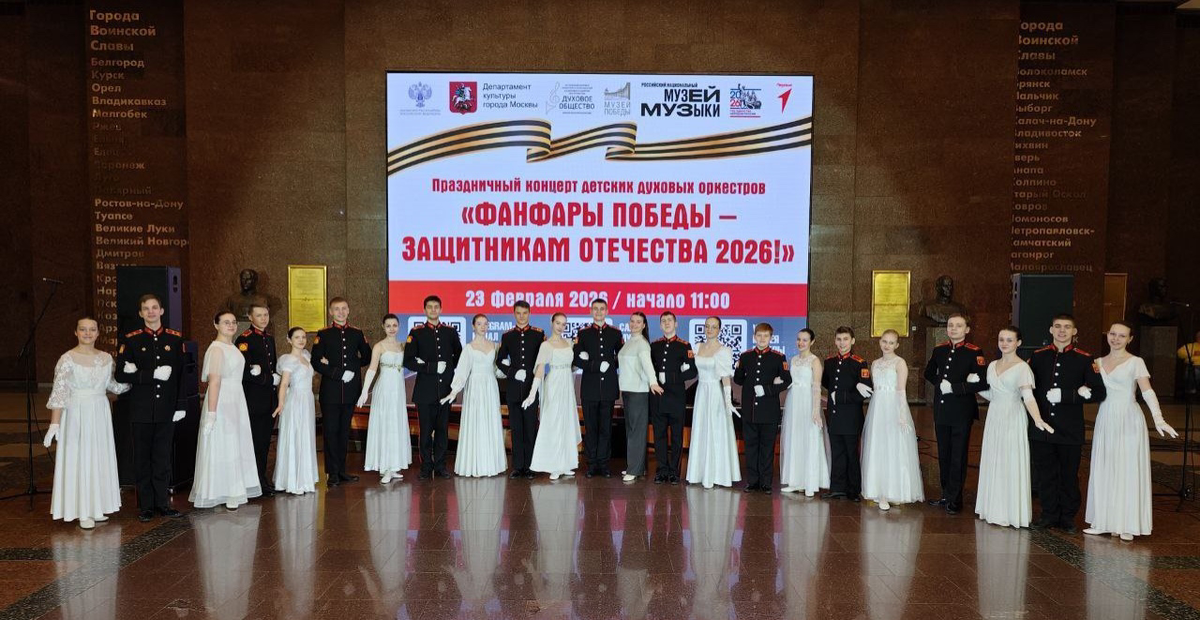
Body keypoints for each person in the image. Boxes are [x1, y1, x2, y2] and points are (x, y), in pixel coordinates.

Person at [1085, 321, 1179, 541]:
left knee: (1127, 468)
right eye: (1113, 334)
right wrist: (1083, 389)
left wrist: (1158, 418)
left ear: (1130, 339)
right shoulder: (1097, 362)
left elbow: (1147, 392)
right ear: (1107, 335)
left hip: (1128, 418)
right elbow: (1094, 388)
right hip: (1106, 417)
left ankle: (1127, 523)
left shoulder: (1136, 362)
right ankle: (1103, 521)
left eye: (1122, 335)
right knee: (1105, 466)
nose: (1116, 339)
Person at [43, 317, 130, 529]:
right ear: (76, 332)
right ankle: (82, 510)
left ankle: (96, 507)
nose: (88, 333)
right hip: (76, 413)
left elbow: (114, 386)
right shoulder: (67, 359)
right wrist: (55, 424)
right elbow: (59, 393)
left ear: (98, 333)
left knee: (98, 457)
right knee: (80, 457)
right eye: (83, 329)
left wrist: (133, 376)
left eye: (92, 329)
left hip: (99, 412)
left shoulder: (106, 358)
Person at [1028, 314, 1106, 533]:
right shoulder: (1038, 356)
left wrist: (1068, 395)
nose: (1062, 331)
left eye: (1067, 327)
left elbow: (1099, 392)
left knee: (1069, 475)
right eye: (1058, 326)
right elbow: (1026, 386)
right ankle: (1048, 514)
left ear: (1074, 331)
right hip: (1042, 426)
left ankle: (1068, 517)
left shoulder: (1084, 358)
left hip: (1069, 428)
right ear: (1051, 330)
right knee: (1045, 474)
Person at [115, 293, 188, 522]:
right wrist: (149, 375)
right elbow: (120, 375)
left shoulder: (175, 339)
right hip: (141, 409)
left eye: (154, 307)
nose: (151, 312)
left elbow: (181, 375)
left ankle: (163, 503)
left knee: (162, 458)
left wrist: (181, 404)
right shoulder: (132, 340)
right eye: (146, 309)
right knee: (142, 459)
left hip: (166, 408)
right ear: (140, 313)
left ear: (162, 311)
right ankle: (146, 506)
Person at [975, 326, 1054, 528]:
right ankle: (992, 508)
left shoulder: (1022, 368)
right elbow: (994, 395)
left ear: (1018, 343)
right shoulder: (992, 365)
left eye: (1009, 340)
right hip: (995, 416)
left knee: (1009, 460)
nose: (1004, 343)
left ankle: (1009, 512)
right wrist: (976, 388)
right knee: (994, 459)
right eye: (1001, 339)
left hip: (1013, 417)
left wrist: (1037, 419)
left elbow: (1028, 397)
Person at [190, 311, 262, 510]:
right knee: (225, 443)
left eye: (233, 322)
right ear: (216, 325)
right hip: (222, 401)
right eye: (225, 322)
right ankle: (225, 491)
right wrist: (212, 414)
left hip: (236, 398)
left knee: (236, 443)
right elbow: (214, 382)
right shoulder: (217, 349)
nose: (231, 326)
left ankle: (233, 488)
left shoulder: (232, 347)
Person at [924, 313, 989, 515]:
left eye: (958, 326)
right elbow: (928, 372)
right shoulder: (939, 350)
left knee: (958, 455)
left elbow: (982, 382)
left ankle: (955, 498)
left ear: (967, 330)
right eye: (951, 325)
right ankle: (945, 494)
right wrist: (940, 384)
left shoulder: (974, 352)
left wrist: (956, 387)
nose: (953, 329)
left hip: (961, 411)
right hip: (942, 410)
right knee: (944, 454)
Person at [860, 329, 924, 510]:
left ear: (897, 345)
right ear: (880, 342)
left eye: (891, 342)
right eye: (884, 341)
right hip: (877, 407)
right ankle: (878, 490)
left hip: (893, 407)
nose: (886, 345)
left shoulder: (900, 363)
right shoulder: (875, 363)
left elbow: (901, 390)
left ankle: (894, 490)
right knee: (878, 446)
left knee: (893, 447)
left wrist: (902, 415)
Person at [312, 297, 371, 488]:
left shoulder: (357, 333)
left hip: (351, 390)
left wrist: (352, 367)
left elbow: (367, 356)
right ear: (330, 312)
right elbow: (315, 361)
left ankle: (342, 470)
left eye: (344, 308)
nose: (341, 312)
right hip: (331, 392)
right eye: (336, 309)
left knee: (344, 432)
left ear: (348, 310)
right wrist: (337, 372)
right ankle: (332, 473)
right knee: (330, 432)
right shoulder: (323, 334)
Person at [403, 295, 463, 479]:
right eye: (429, 307)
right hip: (425, 391)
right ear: (424, 310)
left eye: (436, 307)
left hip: (445, 390)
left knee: (443, 431)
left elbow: (459, 356)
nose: (433, 310)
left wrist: (448, 370)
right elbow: (408, 361)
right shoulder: (416, 333)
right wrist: (431, 367)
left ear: (441, 309)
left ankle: (441, 466)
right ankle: (426, 467)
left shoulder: (450, 332)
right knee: (426, 432)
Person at [441, 314, 506, 477]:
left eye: (485, 324)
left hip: (490, 387)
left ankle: (490, 464)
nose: (483, 327)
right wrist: (454, 391)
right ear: (473, 326)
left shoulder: (495, 346)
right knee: (476, 422)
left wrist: (507, 369)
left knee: (490, 421)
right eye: (479, 324)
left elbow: (497, 371)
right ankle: (475, 464)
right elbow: (462, 372)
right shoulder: (468, 348)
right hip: (475, 388)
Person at [735, 322, 792, 494]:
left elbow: (787, 381)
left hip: (769, 410)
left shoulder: (778, 357)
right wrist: (738, 369)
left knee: (767, 447)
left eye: (766, 336)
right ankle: (752, 481)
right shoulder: (745, 356)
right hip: (749, 410)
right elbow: (738, 380)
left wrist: (767, 389)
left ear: (771, 338)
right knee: (751, 447)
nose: (762, 339)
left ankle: (766, 482)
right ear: (754, 337)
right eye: (759, 335)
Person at [685, 316, 741, 489]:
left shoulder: (724, 350)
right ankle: (699, 473)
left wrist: (728, 400)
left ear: (719, 330)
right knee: (701, 429)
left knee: (716, 430)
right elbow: (692, 368)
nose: (709, 329)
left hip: (715, 393)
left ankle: (717, 474)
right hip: (701, 392)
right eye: (707, 326)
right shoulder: (698, 347)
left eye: (713, 327)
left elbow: (725, 377)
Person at [357, 314, 413, 484]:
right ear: (383, 327)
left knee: (396, 425)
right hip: (384, 389)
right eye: (388, 325)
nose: (391, 328)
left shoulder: (403, 345)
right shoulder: (379, 346)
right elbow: (372, 369)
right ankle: (386, 467)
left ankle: (394, 465)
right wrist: (365, 391)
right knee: (386, 425)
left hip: (398, 390)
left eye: (394, 325)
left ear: (399, 326)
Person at [527, 312, 582, 479]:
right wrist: (532, 393)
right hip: (554, 384)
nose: (560, 327)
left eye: (564, 324)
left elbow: (571, 367)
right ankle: (554, 465)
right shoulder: (546, 345)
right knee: (554, 422)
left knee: (566, 422)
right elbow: (540, 369)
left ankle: (565, 463)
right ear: (552, 323)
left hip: (567, 385)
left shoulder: (569, 343)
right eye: (558, 323)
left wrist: (580, 363)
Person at [573, 298, 623, 478]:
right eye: (595, 309)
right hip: (590, 388)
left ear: (607, 311)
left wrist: (611, 364)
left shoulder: (616, 333)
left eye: (602, 309)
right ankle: (592, 464)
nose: (599, 312)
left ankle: (603, 464)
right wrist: (595, 365)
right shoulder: (583, 333)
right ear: (590, 311)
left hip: (608, 388)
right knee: (591, 428)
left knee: (605, 429)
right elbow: (576, 359)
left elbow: (622, 357)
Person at [820, 326, 872, 501]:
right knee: (837, 452)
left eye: (846, 339)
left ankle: (853, 489)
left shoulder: (859, 363)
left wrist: (841, 396)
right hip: (835, 415)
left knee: (851, 453)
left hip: (851, 417)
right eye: (839, 339)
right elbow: (827, 382)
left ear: (853, 341)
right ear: (835, 341)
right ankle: (837, 487)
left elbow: (865, 392)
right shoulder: (829, 362)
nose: (842, 343)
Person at [496, 300, 544, 479]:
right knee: (516, 429)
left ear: (529, 313)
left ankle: (530, 466)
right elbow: (499, 361)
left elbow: (542, 360)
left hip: (531, 388)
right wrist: (512, 372)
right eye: (518, 313)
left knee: (530, 428)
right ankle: (518, 466)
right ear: (514, 314)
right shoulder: (508, 336)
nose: (522, 316)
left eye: (525, 313)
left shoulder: (538, 334)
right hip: (514, 389)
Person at [234, 303, 278, 497]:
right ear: (250, 317)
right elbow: (244, 371)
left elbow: (272, 364)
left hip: (269, 398)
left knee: (264, 442)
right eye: (259, 315)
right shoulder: (244, 339)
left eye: (265, 315)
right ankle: (253, 481)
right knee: (253, 442)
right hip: (254, 399)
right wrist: (268, 379)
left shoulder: (269, 338)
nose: (263, 318)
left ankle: (261, 478)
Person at [649, 311, 696, 485]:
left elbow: (692, 371)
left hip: (676, 397)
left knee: (677, 435)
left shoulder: (684, 346)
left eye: (670, 320)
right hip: (658, 397)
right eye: (663, 321)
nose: (667, 323)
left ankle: (674, 472)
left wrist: (671, 377)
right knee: (659, 434)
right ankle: (662, 470)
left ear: (676, 324)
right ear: (660, 325)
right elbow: (649, 369)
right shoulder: (654, 346)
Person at [779, 328, 828, 497]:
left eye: (805, 340)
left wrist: (815, 411)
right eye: (799, 339)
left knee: (809, 439)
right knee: (795, 439)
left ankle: (810, 482)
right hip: (794, 401)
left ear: (812, 342)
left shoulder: (815, 361)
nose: (801, 343)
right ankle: (795, 481)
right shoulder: (793, 360)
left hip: (808, 402)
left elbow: (816, 388)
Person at [617, 311, 663, 482]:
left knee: (636, 431)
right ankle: (636, 466)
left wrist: (653, 382)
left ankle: (635, 469)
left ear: (644, 325)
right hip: (628, 390)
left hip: (638, 391)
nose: (634, 324)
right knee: (631, 430)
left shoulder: (642, 344)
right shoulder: (630, 341)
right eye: (632, 321)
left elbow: (648, 365)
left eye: (638, 322)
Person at [272, 327, 319, 494]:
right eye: (297, 337)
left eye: (303, 337)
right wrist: (281, 404)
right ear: (289, 340)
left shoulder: (307, 356)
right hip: (295, 400)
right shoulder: (288, 360)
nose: (301, 340)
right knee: (295, 436)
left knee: (305, 436)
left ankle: (305, 478)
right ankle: (294, 481)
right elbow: (284, 383)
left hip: (307, 400)